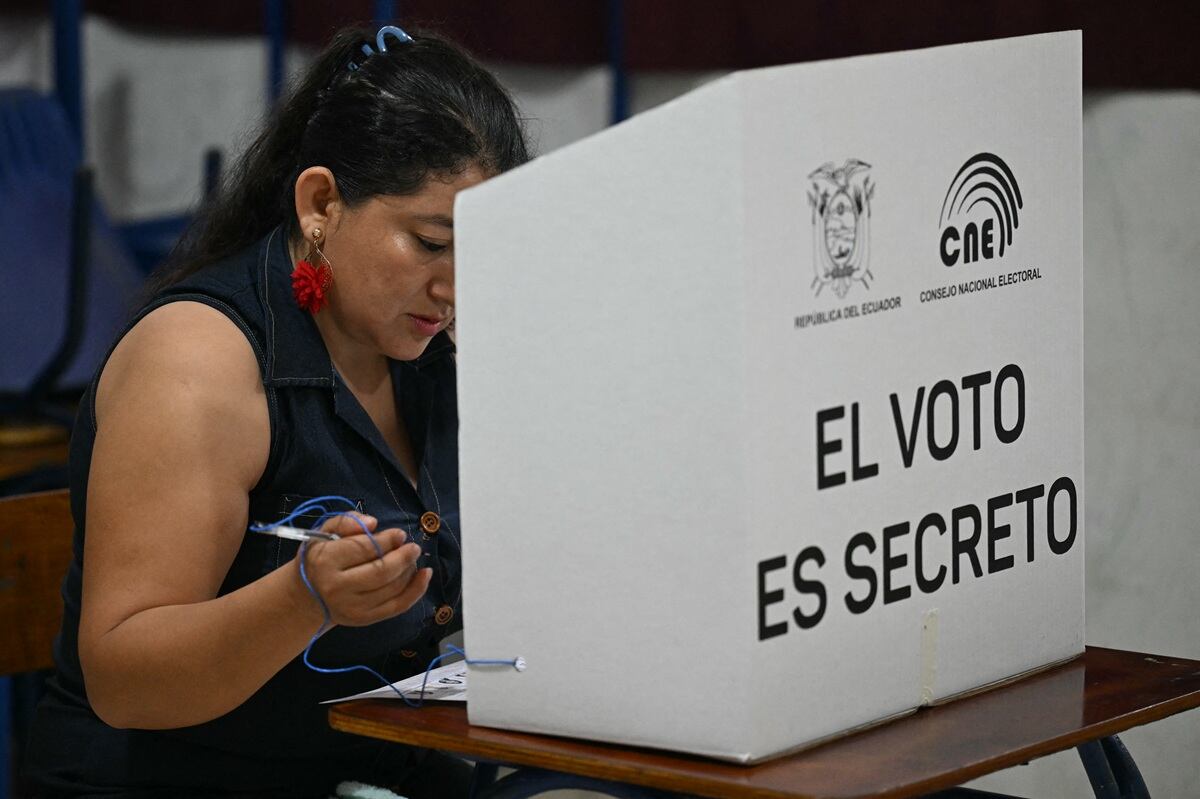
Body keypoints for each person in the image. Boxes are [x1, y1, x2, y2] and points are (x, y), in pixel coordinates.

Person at [24, 23, 529, 798]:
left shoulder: (425, 343)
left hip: (371, 768)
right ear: (321, 201)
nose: (457, 284)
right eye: (432, 242)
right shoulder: (197, 362)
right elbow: (125, 680)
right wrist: (305, 597)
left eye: (486, 249)